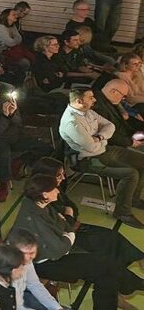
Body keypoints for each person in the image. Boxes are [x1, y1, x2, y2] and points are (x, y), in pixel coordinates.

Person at [12, 175, 144, 310]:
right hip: (46, 264)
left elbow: (63, 226)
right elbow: (58, 249)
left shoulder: (40, 205)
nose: (58, 191)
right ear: (44, 194)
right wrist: (70, 234)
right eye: (54, 189)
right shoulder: (33, 217)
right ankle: (136, 285)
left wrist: (66, 233)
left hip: (60, 252)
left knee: (106, 273)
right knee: (105, 265)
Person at [59, 87, 144, 227]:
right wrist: (102, 139)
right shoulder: (72, 123)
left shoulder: (87, 111)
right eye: (90, 98)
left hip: (105, 150)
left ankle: (133, 198)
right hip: (90, 159)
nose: (94, 100)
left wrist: (99, 137)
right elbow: (91, 148)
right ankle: (122, 212)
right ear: (79, 101)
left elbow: (110, 126)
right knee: (131, 174)